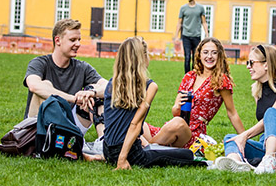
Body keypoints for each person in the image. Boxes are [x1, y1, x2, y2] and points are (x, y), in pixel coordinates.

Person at [102, 37, 196, 169]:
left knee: (151, 145)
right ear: (143, 58)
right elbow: (135, 124)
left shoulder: (112, 83)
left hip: (107, 151)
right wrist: (122, 160)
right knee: (187, 155)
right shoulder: (149, 86)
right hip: (130, 154)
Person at [215, 44, 276, 174]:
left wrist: (245, 135)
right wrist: (241, 138)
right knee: (231, 138)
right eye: (248, 62)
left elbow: (274, 115)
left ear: (266, 65)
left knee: (271, 112)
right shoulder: (256, 89)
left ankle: (270, 160)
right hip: (266, 143)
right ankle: (235, 163)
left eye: (252, 63)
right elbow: (264, 125)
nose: (248, 66)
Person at [23, 19, 108, 153]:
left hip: (69, 122)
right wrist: (73, 99)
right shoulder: (39, 63)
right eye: (73, 40)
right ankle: (62, 141)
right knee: (45, 86)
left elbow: (109, 87)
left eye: (79, 39)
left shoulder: (82, 67)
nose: (78, 44)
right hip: (38, 126)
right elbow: (34, 86)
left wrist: (92, 92)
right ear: (58, 40)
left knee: (94, 93)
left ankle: (104, 143)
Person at [144, 37, 245, 148]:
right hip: (174, 126)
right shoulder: (189, 76)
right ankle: (155, 147)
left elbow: (232, 113)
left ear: (219, 55)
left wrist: (244, 137)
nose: (209, 56)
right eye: (205, 52)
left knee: (177, 122)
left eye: (214, 53)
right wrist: (177, 106)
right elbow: (175, 112)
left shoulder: (221, 80)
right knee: (139, 125)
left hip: (193, 134)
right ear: (199, 55)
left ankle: (149, 148)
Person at [174, 0, 209, 74]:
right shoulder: (183, 8)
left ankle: (194, 75)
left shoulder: (200, 8)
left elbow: (204, 22)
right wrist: (176, 36)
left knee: (195, 58)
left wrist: (207, 35)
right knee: (187, 57)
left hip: (196, 36)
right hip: (186, 36)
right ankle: (187, 76)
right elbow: (179, 23)